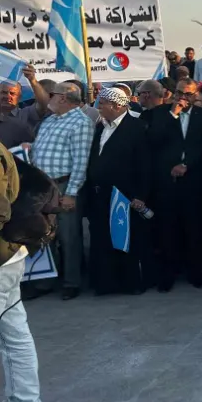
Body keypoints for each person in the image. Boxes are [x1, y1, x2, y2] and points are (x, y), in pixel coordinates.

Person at [0, 141, 57, 402]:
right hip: (8, 257)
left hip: (1, 259)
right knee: (14, 333)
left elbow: (0, 209)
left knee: (14, 334)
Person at [142, 78, 202, 291]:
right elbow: (153, 141)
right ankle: (168, 275)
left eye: (188, 94)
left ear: (195, 95)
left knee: (193, 227)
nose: (183, 97)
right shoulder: (160, 113)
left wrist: (186, 165)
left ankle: (195, 273)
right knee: (167, 229)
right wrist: (173, 114)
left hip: (192, 179)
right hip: (166, 181)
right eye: (180, 93)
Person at [83, 87, 151, 295]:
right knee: (102, 239)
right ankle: (105, 283)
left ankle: (130, 284)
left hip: (124, 196)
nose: (99, 107)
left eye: (102, 103)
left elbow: (145, 165)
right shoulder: (101, 126)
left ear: (116, 105)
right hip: (100, 194)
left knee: (125, 240)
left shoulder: (136, 127)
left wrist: (141, 195)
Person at [29, 82, 94, 299]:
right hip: (43, 187)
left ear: (63, 98)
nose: (49, 98)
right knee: (44, 234)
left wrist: (71, 193)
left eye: (52, 95)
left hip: (63, 185)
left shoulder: (81, 123)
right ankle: (45, 282)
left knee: (69, 236)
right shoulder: (50, 120)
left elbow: (81, 162)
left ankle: (71, 282)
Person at [0, 67, 48, 148]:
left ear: (20, 97)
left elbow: (44, 105)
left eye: (12, 93)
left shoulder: (26, 114)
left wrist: (33, 80)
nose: (8, 96)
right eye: (4, 92)